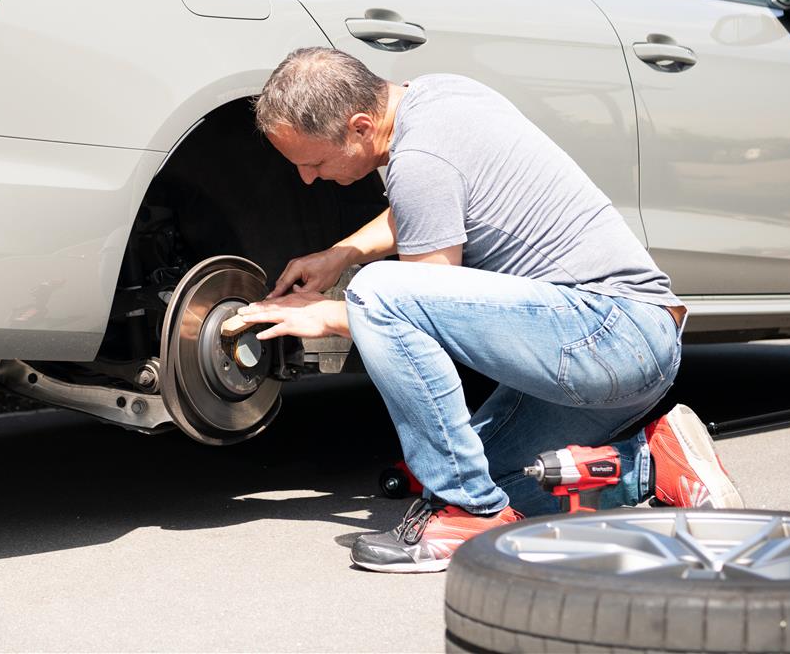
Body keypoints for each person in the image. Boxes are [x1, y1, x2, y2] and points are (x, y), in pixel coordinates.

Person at [237, 48, 743, 573]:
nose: (307, 179)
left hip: (608, 336)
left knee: (378, 292)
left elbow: (413, 299)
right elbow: (430, 201)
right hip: (624, 339)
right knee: (495, 475)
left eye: (314, 162)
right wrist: (342, 253)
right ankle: (653, 463)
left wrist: (325, 315)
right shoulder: (438, 95)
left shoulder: (420, 161)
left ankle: (467, 512)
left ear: (361, 127)